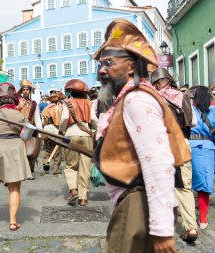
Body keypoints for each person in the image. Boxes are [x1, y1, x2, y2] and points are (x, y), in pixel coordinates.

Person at [93, 19, 191, 252]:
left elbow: (158, 162)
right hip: (133, 202)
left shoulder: (137, 99)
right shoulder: (128, 97)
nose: (101, 70)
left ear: (130, 67)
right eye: (100, 64)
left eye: (109, 63)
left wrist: (162, 229)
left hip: (138, 203)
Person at [151, 67, 199, 242]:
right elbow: (193, 122)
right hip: (183, 143)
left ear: (156, 83)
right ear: (170, 80)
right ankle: (191, 227)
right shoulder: (183, 96)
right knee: (184, 187)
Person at [0, 83, 32, 231]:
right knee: (14, 187)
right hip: (14, 147)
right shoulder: (20, 115)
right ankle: (13, 222)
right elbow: (27, 135)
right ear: (13, 100)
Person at [59, 79, 93, 206]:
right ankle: (83, 198)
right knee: (86, 166)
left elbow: (64, 118)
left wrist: (61, 131)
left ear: (72, 92)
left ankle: (73, 189)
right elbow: (94, 120)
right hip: (86, 135)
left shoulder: (68, 103)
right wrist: (93, 130)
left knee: (71, 165)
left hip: (70, 134)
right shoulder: (90, 103)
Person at [189, 86, 215, 230]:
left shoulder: (189, 109)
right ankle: (203, 220)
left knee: (185, 183)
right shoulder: (213, 111)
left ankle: (187, 216)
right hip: (206, 148)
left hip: (187, 146)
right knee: (204, 184)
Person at [17, 80, 42, 174]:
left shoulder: (34, 104)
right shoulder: (18, 102)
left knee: (31, 151)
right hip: (19, 129)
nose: (26, 91)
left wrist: (39, 131)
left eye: (27, 90)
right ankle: (22, 171)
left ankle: (30, 171)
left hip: (30, 130)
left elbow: (37, 118)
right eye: (24, 90)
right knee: (21, 151)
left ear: (30, 91)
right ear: (22, 92)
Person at [42, 91, 65, 174]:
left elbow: (43, 121)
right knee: (57, 152)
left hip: (47, 130)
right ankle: (56, 169)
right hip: (56, 131)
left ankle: (45, 165)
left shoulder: (46, 108)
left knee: (48, 150)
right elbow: (60, 122)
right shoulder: (60, 107)